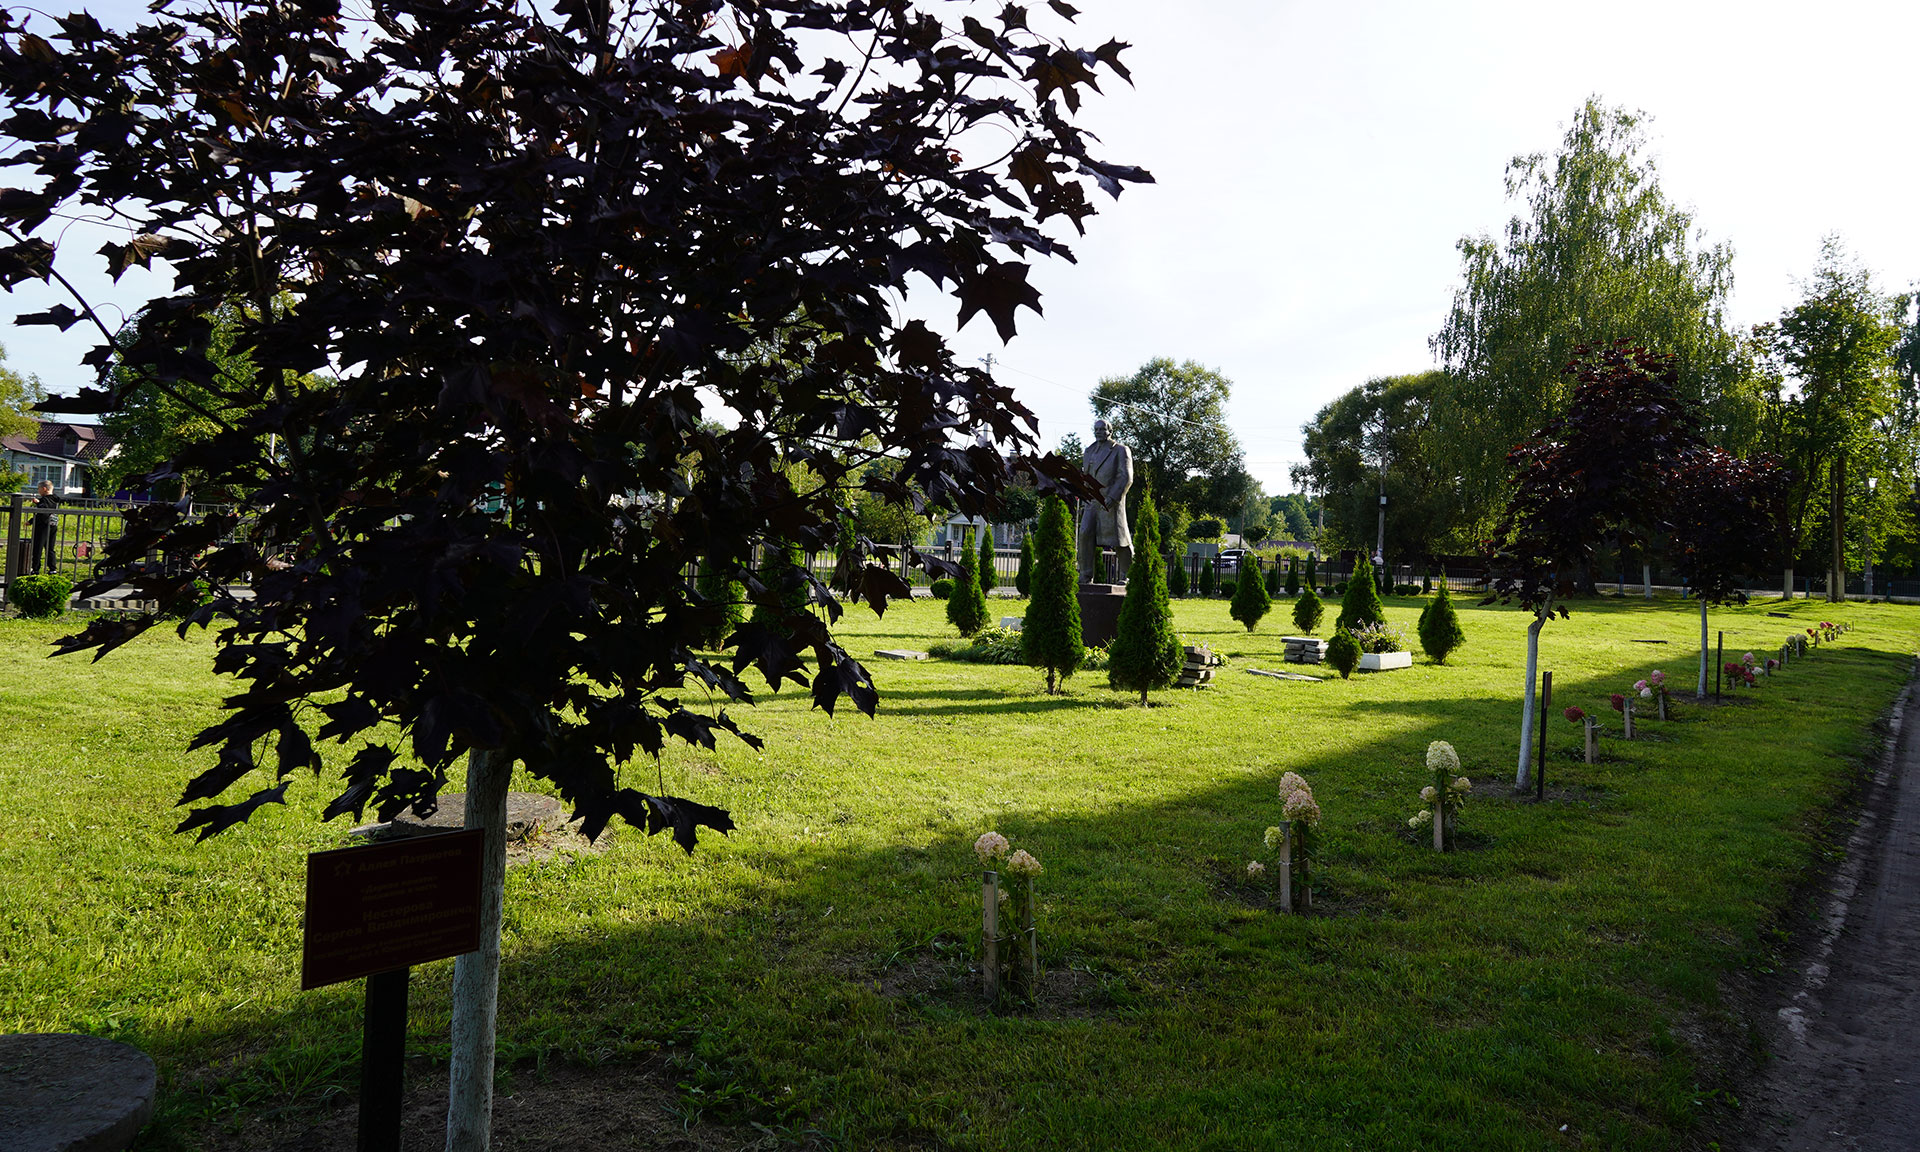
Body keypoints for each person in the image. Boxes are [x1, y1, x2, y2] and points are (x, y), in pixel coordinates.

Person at [1075, 418, 1134, 583]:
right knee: (1085, 534)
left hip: (1110, 502)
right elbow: (1086, 476)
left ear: (1110, 431)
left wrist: (1113, 497)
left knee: (1119, 539)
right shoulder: (1089, 451)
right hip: (1091, 501)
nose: (1099, 432)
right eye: (1096, 430)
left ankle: (1127, 574)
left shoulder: (1120, 450)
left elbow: (1126, 476)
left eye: (1102, 429)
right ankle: (1085, 575)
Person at [29, 479, 57, 574]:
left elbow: (43, 512)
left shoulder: (44, 500)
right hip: (53, 524)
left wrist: (31, 521)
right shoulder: (55, 499)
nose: (38, 491)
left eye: (39, 489)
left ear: (44, 489)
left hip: (43, 525)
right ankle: (52, 568)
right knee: (50, 548)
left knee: (38, 547)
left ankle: (35, 569)